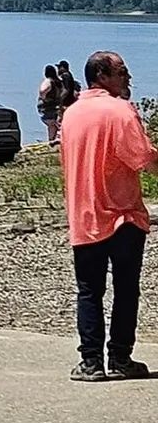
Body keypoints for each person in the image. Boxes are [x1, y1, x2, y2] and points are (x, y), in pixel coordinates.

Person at [61, 51, 158, 382]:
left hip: (85, 215)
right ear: (101, 75)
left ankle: (91, 362)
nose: (128, 78)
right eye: (122, 72)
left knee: (89, 290)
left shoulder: (71, 114)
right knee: (126, 288)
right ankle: (119, 357)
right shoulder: (120, 111)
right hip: (123, 216)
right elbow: (143, 157)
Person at [38, 64, 63, 143]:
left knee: (51, 124)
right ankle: (54, 140)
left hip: (48, 106)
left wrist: (43, 97)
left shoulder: (48, 81)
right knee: (55, 124)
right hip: (57, 105)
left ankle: (51, 140)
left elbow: (42, 90)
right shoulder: (58, 82)